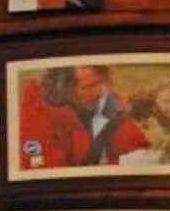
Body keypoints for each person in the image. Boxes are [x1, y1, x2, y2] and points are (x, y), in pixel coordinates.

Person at [15, 64, 151, 172]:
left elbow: (136, 148)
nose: (101, 91)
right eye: (90, 87)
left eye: (102, 83)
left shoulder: (107, 103)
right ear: (63, 88)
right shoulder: (36, 116)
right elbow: (46, 174)